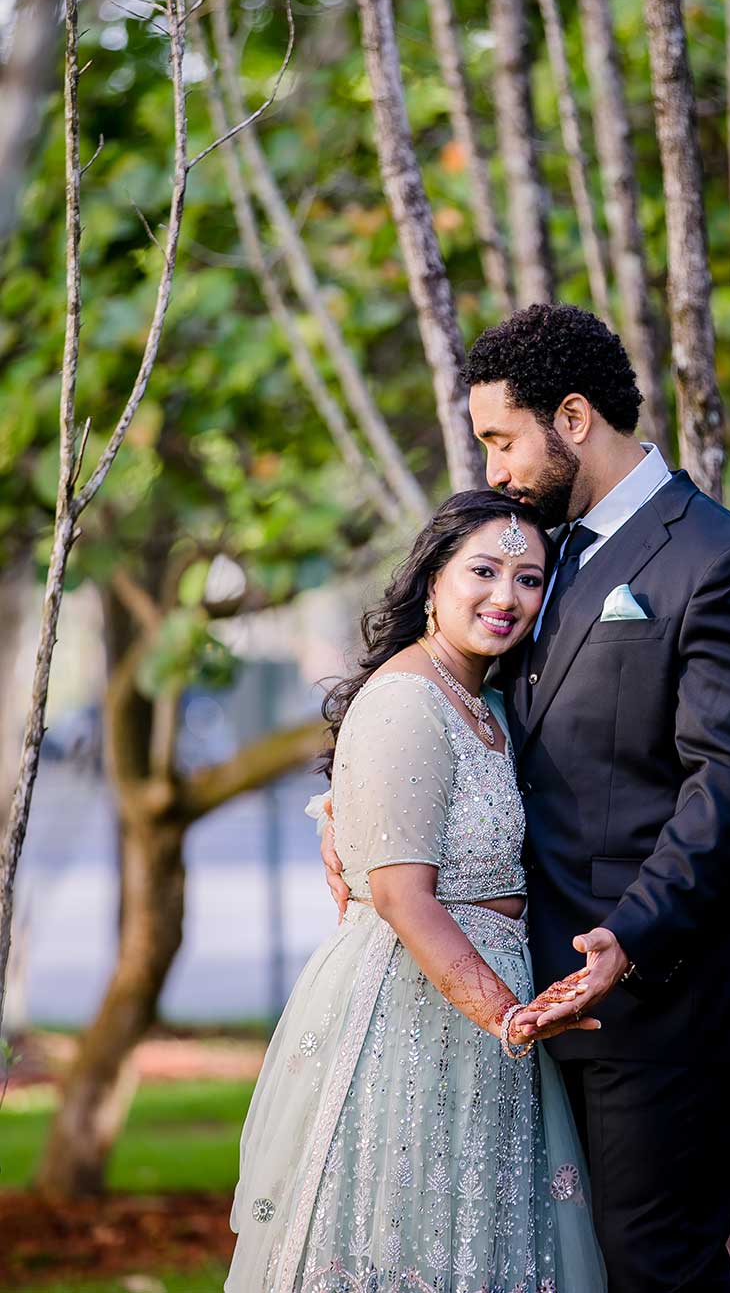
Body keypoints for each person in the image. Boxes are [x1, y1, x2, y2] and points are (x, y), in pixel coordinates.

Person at [320, 304, 730, 1293]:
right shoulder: (534, 558)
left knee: (653, 1269)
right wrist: (355, 808)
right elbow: (461, 721)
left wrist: (631, 937)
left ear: (572, 417)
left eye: (502, 437)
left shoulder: (724, 564)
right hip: (525, 994)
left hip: (659, 993)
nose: (493, 467)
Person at [227, 491, 607, 1293]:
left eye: (530, 578)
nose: (506, 596)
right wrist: (505, 1011)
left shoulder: (492, 702)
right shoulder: (406, 697)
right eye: (484, 569)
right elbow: (404, 896)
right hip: (412, 1015)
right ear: (432, 579)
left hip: (484, 1020)